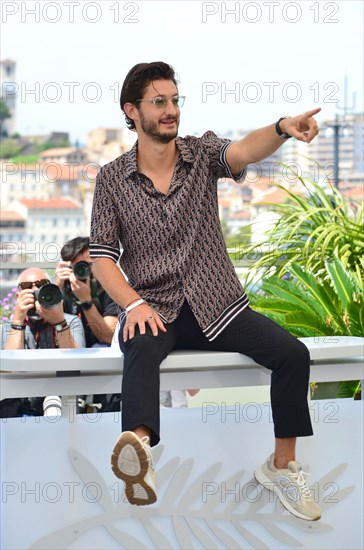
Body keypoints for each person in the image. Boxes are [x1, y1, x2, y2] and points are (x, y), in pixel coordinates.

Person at [89, 61, 322, 520]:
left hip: (218, 303)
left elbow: (243, 151)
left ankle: (281, 466)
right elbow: (101, 256)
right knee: (138, 343)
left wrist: (282, 128)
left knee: (293, 355)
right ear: (131, 111)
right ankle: (138, 451)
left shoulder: (200, 154)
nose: (171, 110)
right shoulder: (111, 179)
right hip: (154, 307)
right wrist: (132, 303)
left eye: (175, 100)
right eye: (159, 102)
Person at [0, 267, 85, 417]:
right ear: (18, 295)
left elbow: (77, 364)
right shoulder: (10, 327)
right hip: (21, 399)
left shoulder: (70, 322)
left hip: (61, 397)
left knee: (55, 401)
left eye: (41, 284)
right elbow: (9, 370)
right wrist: (18, 320)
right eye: (27, 287)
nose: (35, 290)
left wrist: (59, 322)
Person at [56, 236, 119, 412]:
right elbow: (52, 328)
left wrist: (86, 301)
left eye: (88, 265)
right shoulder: (64, 289)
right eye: (77, 267)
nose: (84, 271)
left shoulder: (108, 287)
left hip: (103, 366)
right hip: (70, 361)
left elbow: (109, 336)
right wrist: (57, 289)